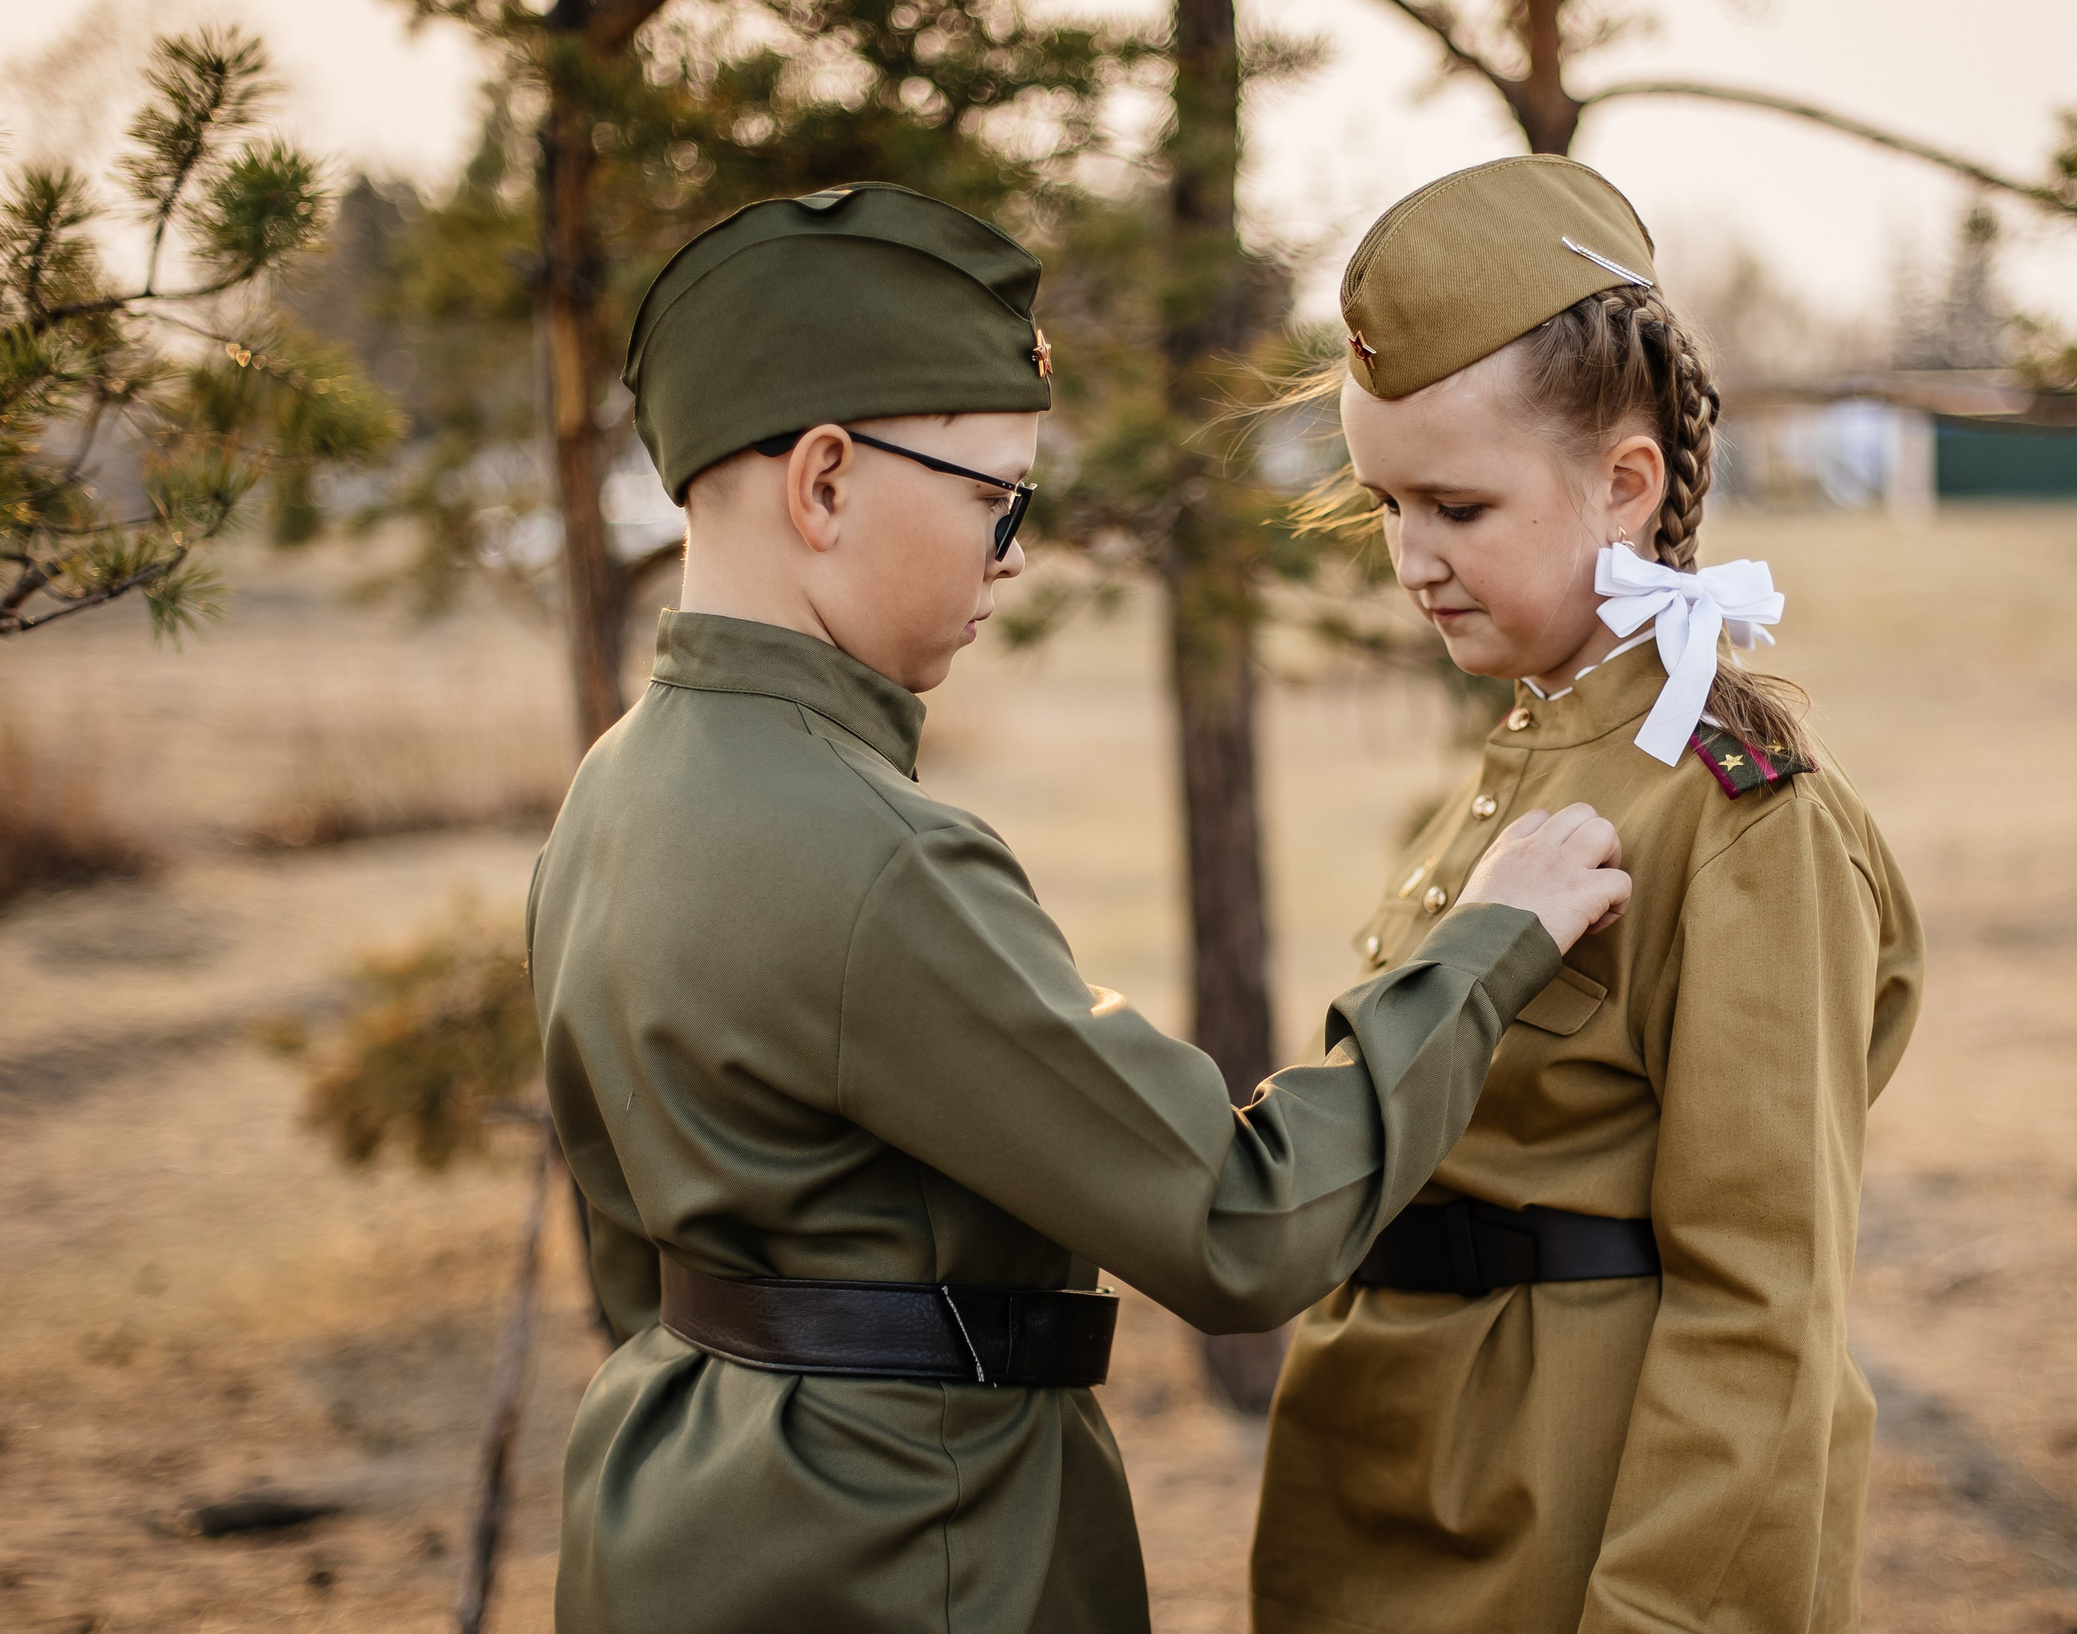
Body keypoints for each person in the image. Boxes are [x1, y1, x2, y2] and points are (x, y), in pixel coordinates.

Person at [526, 180, 1632, 1634]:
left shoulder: (610, 793)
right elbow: (1242, 1222)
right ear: (826, 483)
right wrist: (1490, 942)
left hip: (662, 1521)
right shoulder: (877, 856)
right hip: (912, 1554)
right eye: (995, 500)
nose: (1015, 554)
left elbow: (637, 1260)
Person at [1248, 156, 1925, 1634]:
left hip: (1561, 1523)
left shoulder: (1740, 817)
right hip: (1401, 1496)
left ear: (1626, 486)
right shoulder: (1529, 761)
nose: (1411, 558)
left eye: (1458, 505)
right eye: (1384, 505)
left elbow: (1765, 1305)